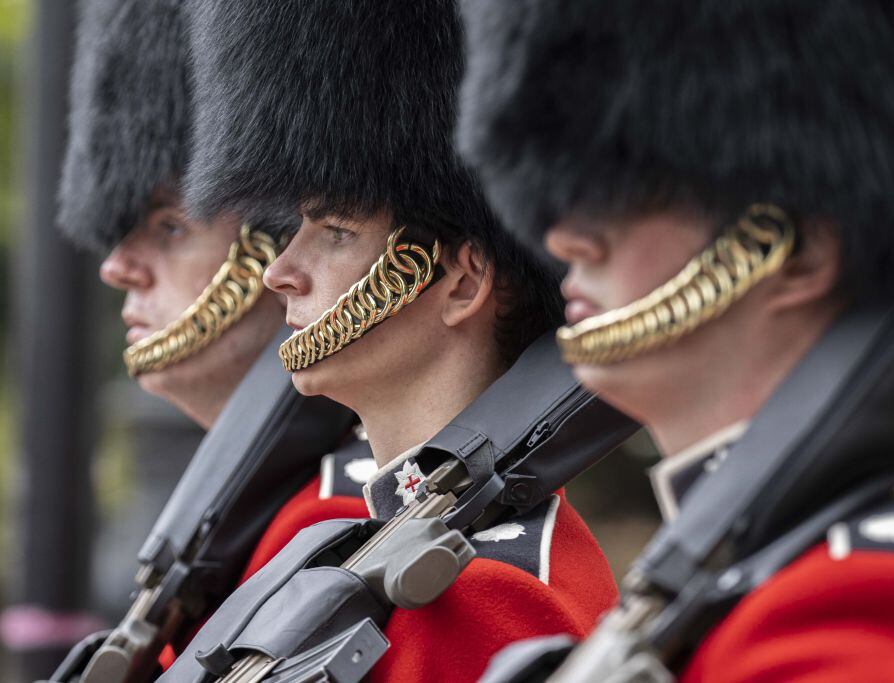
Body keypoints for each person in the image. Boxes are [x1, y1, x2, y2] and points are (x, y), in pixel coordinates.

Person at [457, 0, 894, 680]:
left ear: (798, 253)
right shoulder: (739, 587)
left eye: (632, 187)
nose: (561, 237)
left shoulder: (863, 626)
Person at [160, 1, 620, 679]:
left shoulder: (490, 594)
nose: (281, 272)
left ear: (462, 282)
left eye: (336, 232)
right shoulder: (356, 546)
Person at [56, 0, 369, 654]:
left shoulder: (343, 528)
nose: (115, 267)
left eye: (170, 227)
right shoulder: (241, 522)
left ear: (273, 244)